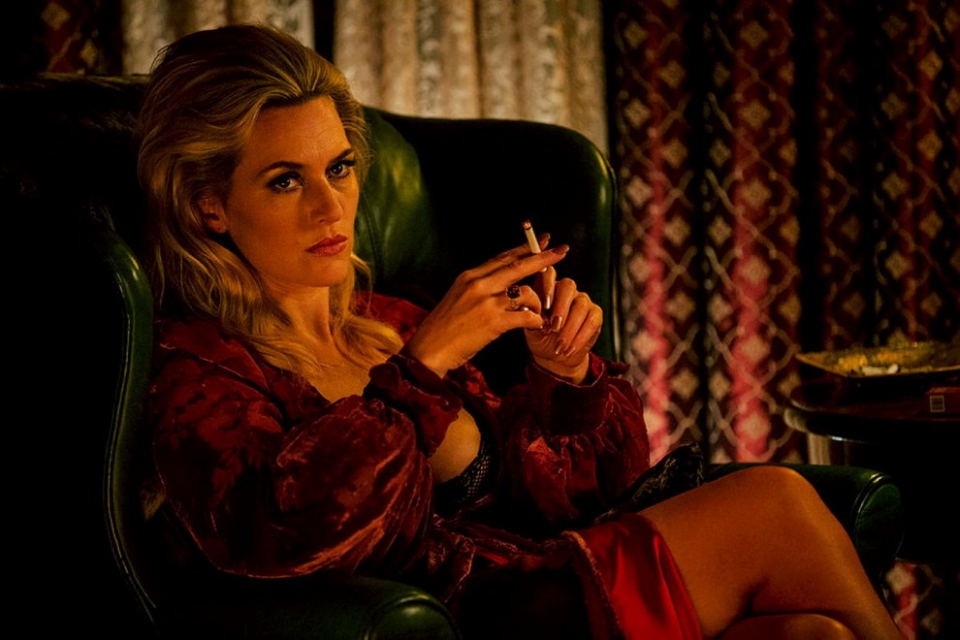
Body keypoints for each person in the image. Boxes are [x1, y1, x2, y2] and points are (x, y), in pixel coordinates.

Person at [138, 24, 901, 640]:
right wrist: (423, 367)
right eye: (285, 180)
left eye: (339, 168)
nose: (330, 206)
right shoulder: (198, 367)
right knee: (774, 499)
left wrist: (564, 381)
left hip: (549, 589)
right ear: (209, 205)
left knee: (810, 634)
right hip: (474, 622)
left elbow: (572, 507)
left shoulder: (389, 323)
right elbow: (281, 536)